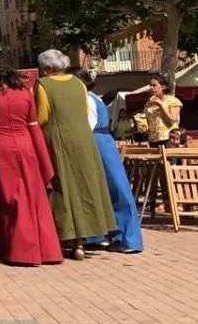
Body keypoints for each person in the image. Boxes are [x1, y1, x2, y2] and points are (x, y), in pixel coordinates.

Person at [0, 59, 62, 266]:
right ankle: (45, 250)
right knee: (32, 196)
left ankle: (14, 248)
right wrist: (44, 159)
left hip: (0, 148)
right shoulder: (25, 95)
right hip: (27, 146)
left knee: (8, 198)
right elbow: (34, 128)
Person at [35, 49, 117, 260]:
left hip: (59, 141)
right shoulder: (79, 84)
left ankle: (65, 237)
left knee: (63, 188)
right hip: (84, 140)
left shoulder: (43, 85)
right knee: (86, 186)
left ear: (47, 69)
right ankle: (82, 242)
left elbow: (42, 117)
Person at [71, 68, 144, 253]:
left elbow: (87, 125)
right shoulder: (94, 97)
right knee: (112, 187)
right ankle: (108, 235)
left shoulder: (85, 99)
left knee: (110, 188)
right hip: (104, 141)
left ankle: (124, 237)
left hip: (95, 142)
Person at [145, 73, 183, 148]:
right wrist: (144, 128)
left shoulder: (173, 101)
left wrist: (161, 105)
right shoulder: (148, 103)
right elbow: (146, 122)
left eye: (154, 85)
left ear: (163, 87)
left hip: (169, 139)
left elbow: (171, 120)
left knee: (170, 160)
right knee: (155, 160)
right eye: (150, 85)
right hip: (153, 140)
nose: (151, 88)